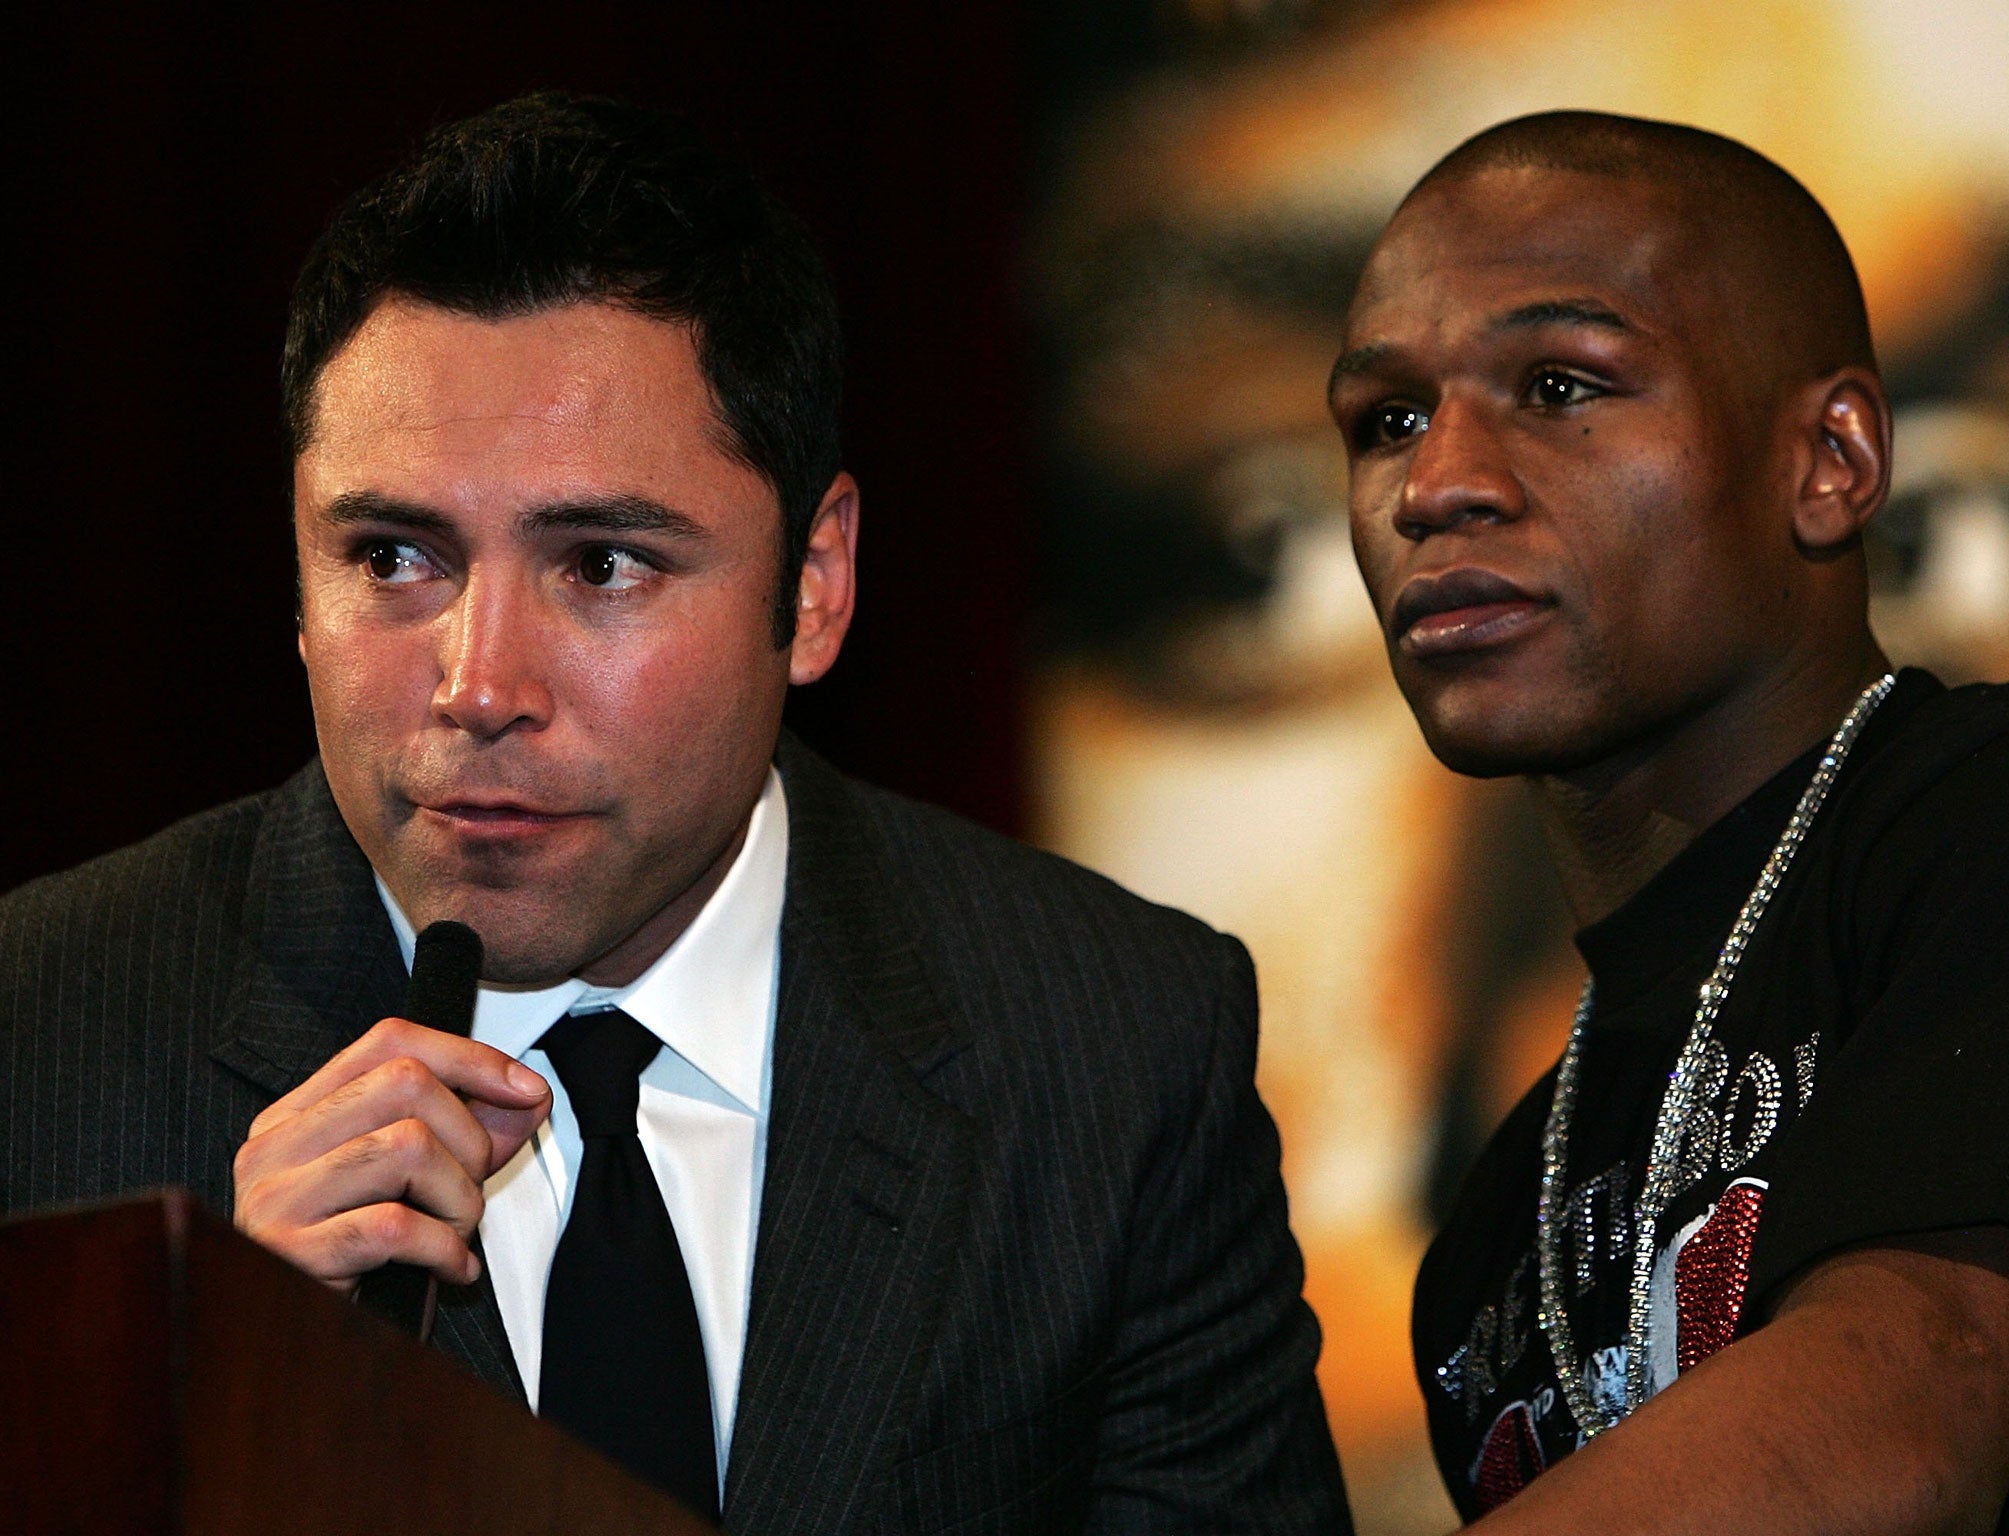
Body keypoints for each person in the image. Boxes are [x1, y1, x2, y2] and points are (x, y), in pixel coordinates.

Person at [0, 93, 1350, 1535]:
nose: (479, 685)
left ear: (815, 584)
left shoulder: (1110, 1047)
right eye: (393, 555)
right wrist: (201, 1405)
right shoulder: (40, 1039)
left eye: (600, 566)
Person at [1330, 109, 2009, 1532]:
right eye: (1386, 420)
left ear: (1832, 461)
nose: (1437, 483)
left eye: (1559, 383)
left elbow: (1908, 1413)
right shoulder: (1496, 1222)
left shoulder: (2002, 818)